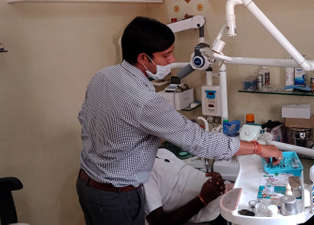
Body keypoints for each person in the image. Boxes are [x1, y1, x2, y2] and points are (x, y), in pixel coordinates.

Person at [76, 16, 283, 225]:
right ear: (143, 59)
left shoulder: (103, 76)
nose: (172, 60)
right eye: (166, 55)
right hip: (117, 196)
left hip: (88, 184)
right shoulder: (145, 101)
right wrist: (259, 148)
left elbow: (85, 118)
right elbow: (202, 143)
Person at [144, 148, 231, 225]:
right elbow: (160, 222)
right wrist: (203, 199)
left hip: (225, 193)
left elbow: (187, 176)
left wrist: (212, 179)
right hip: (215, 213)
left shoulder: (161, 152)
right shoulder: (143, 176)